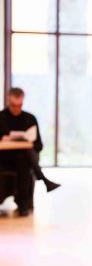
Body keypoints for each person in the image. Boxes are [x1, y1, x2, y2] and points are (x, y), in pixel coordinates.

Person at [0, 87, 60, 216]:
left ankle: (23, 205)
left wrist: (27, 142)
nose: (16, 109)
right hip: (4, 157)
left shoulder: (29, 119)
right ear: (8, 101)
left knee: (23, 158)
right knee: (25, 157)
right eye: (13, 105)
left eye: (19, 105)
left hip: (23, 160)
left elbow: (39, 145)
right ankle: (43, 179)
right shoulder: (1, 118)